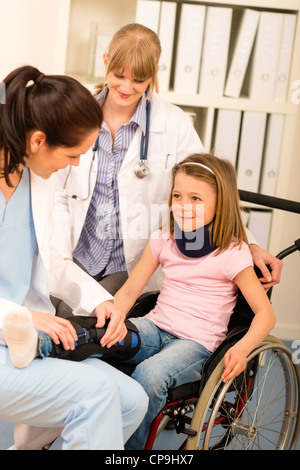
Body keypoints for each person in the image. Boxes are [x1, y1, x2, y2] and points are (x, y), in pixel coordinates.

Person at [52, 23, 282, 319]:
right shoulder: (75, 113)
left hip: (129, 264)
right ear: (106, 60)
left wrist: (250, 244)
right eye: (119, 75)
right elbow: (53, 187)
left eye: (139, 80)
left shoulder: (174, 124)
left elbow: (210, 191)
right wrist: (56, 253)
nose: (126, 87)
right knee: (52, 310)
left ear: (155, 72)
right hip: (76, 252)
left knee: (83, 324)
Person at [0, 65, 148, 450]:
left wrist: (102, 300)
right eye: (72, 153)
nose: (77, 165)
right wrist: (25, 316)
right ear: (37, 141)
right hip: (12, 331)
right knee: (97, 394)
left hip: (30, 337)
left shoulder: (37, 181)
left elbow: (56, 261)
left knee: (132, 403)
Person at [112, 153, 276, 450]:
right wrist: (113, 320)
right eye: (177, 195)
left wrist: (241, 349)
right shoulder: (164, 238)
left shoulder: (233, 253)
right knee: (107, 343)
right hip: (156, 326)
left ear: (220, 203)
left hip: (196, 344)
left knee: (150, 375)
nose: (183, 205)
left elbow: (265, 314)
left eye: (196, 198)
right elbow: (128, 292)